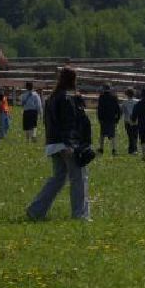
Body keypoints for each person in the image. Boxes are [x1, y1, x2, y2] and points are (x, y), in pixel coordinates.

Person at [26, 67, 91, 222]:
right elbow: (68, 124)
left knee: (58, 178)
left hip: (53, 143)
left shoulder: (53, 97)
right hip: (66, 144)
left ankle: (36, 210)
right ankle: (80, 214)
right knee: (79, 178)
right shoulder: (66, 99)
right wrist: (70, 144)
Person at [96, 86, 122, 156]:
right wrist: (117, 119)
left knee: (102, 135)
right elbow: (118, 109)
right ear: (109, 89)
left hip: (104, 119)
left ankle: (101, 149)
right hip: (112, 119)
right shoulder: (114, 97)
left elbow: (99, 109)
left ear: (104, 89)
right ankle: (114, 149)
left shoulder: (101, 97)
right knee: (112, 135)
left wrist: (99, 118)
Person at [122, 88, 139, 155]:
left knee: (130, 135)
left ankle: (131, 149)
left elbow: (123, 111)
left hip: (127, 121)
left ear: (126, 94)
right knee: (135, 135)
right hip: (136, 121)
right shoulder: (137, 101)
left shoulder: (124, 102)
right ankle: (135, 149)